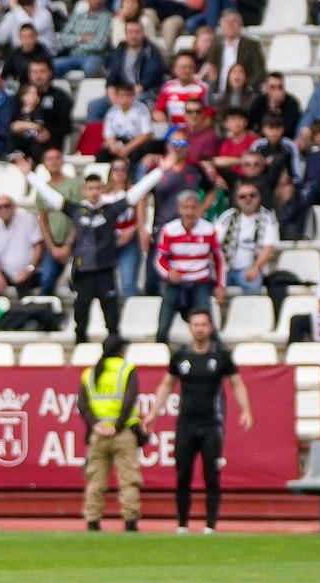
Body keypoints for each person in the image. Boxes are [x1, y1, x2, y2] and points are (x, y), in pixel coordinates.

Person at [24, 164, 164, 344]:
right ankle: (80, 351)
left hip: (105, 271)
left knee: (112, 318)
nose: (94, 192)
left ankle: (112, 349)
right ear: (84, 190)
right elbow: (50, 195)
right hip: (83, 273)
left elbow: (137, 193)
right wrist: (29, 174)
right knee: (81, 318)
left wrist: (160, 171)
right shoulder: (75, 210)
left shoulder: (110, 210)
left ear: (102, 189)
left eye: (98, 188)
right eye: (90, 188)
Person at [145, 309, 252, 535]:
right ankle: (182, 524)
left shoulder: (221, 355)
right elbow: (167, 384)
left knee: (211, 475)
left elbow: (236, 382)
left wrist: (246, 409)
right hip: (186, 424)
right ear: (190, 328)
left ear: (210, 328)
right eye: (196, 325)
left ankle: (210, 525)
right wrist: (154, 411)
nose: (200, 328)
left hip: (212, 424)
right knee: (182, 475)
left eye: (204, 324)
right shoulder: (181, 355)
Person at [78, 335, 143, 534]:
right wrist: (117, 425)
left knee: (96, 481)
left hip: (98, 435)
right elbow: (129, 400)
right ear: (122, 350)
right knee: (128, 479)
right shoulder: (126, 370)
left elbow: (83, 404)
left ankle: (93, 520)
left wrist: (96, 425)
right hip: (122, 433)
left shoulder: (89, 373)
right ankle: (130, 521)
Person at [153, 189, 225, 342]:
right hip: (175, 282)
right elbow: (160, 260)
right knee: (163, 326)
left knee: (207, 323)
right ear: (180, 209)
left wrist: (220, 286)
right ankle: (160, 351)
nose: (189, 212)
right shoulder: (169, 230)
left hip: (200, 282)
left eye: (193, 207)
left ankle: (214, 353)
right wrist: (168, 273)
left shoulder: (208, 230)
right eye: (186, 208)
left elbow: (219, 259)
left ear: (199, 208)